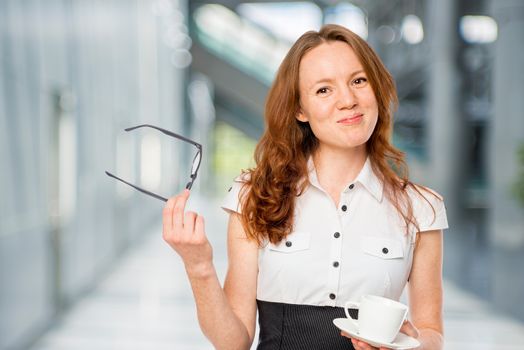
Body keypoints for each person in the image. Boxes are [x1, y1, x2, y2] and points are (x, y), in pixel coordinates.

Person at [162, 24, 448, 350]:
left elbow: (431, 332)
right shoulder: (254, 195)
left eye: (359, 81)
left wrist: (412, 345)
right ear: (300, 109)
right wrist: (198, 266)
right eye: (324, 90)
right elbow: (234, 342)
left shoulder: (421, 208)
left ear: (377, 90)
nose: (348, 100)